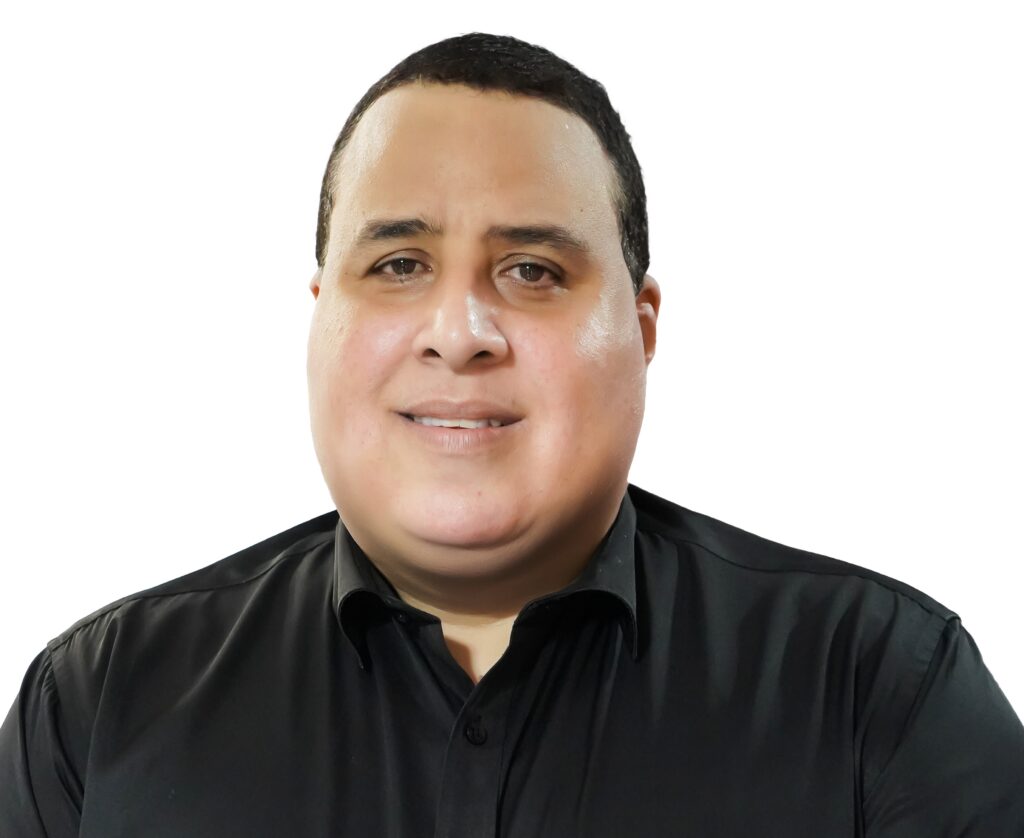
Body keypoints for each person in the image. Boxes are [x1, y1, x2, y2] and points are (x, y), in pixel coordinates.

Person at [1, 30, 1021, 837]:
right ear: (321, 316)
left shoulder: (879, 689)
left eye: (533, 270)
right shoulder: (96, 709)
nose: (459, 332)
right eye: (398, 265)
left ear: (642, 328)